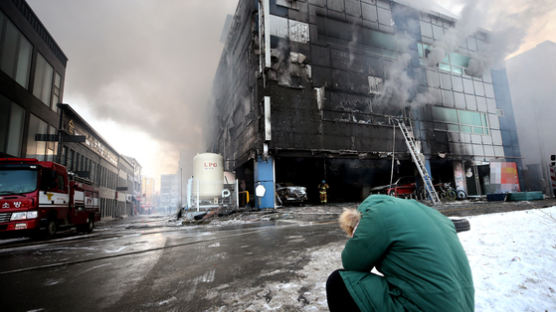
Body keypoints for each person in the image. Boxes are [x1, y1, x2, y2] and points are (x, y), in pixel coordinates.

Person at [327, 195, 474, 312]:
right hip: (463, 305)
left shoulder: (376, 214)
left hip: (424, 307)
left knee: (339, 282)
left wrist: (357, 235)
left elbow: (352, 263)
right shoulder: (430, 212)